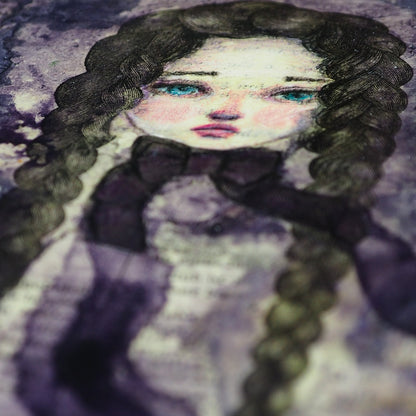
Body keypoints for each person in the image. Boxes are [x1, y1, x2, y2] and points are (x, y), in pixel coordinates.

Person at [1, 2, 414, 416]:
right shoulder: (57, 199)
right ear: (122, 90)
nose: (228, 110)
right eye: (186, 88)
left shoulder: (333, 223)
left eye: (290, 94)